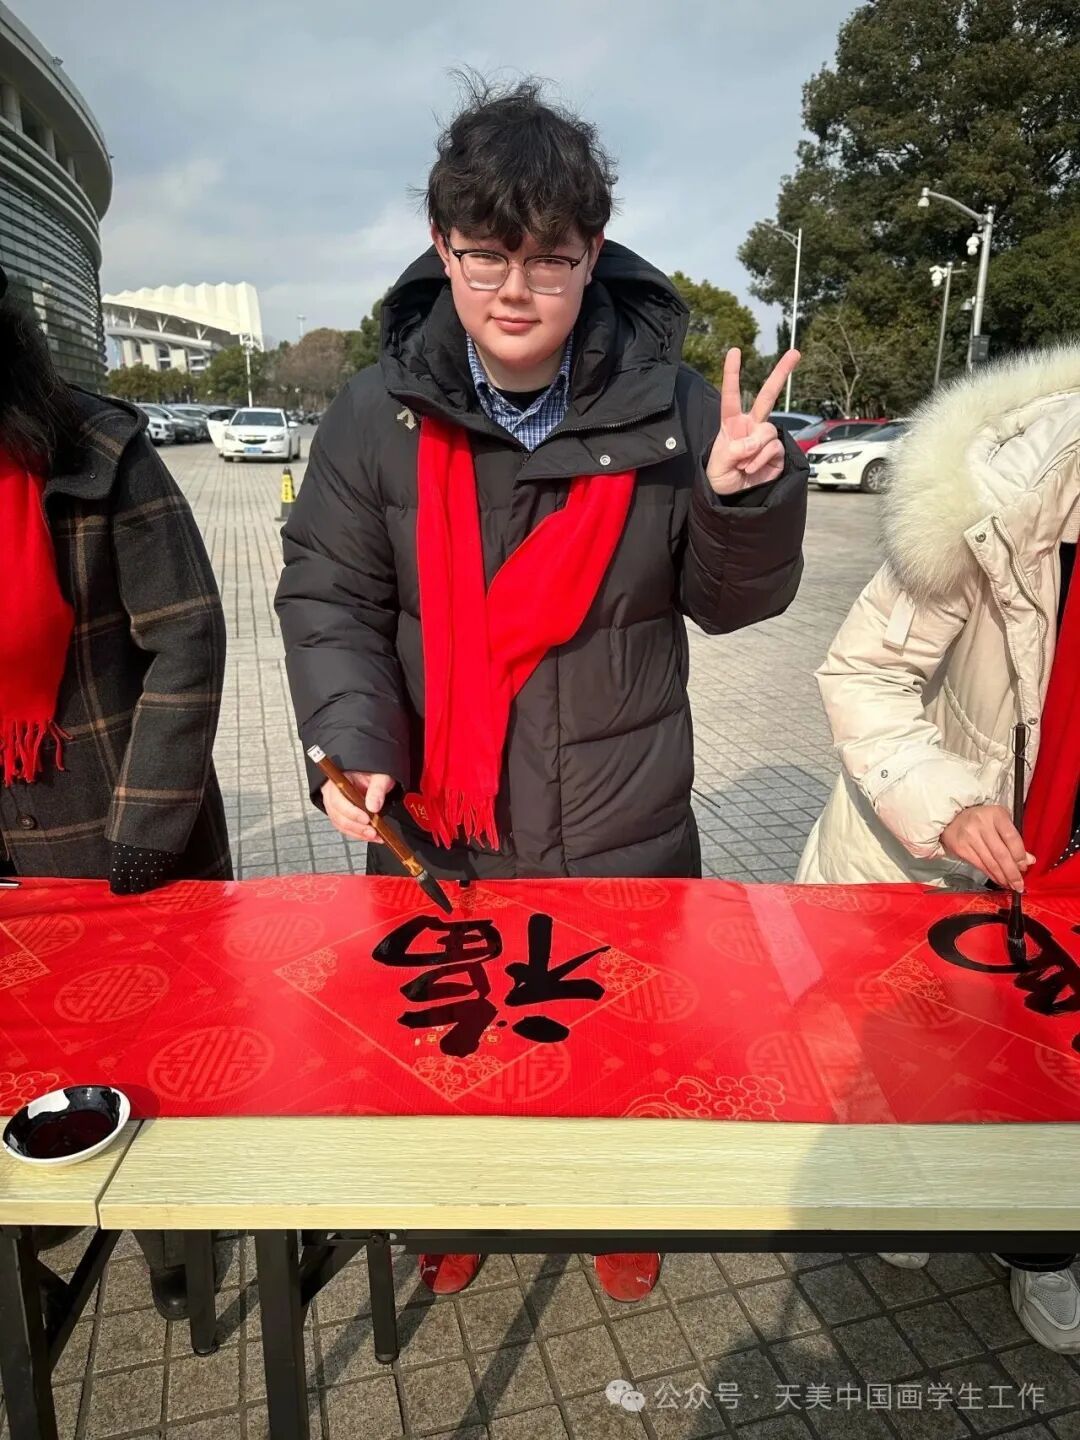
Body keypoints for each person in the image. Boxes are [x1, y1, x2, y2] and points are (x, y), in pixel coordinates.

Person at [276, 76, 808, 1302]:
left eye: (550, 260)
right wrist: (352, 741)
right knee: (450, 1047)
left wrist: (742, 500)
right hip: (443, 825)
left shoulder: (675, 413)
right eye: (486, 254)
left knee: (625, 1040)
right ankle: (457, 1212)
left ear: (593, 254)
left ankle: (624, 1214)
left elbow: (732, 605)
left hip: (625, 824)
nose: (515, 289)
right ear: (440, 246)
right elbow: (330, 597)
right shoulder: (377, 416)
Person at [797, 345, 1080, 1352]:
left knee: (1059, 1075)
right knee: (923, 1046)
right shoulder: (997, 497)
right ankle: (915, 1193)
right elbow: (863, 674)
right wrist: (950, 801)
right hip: (945, 856)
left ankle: (1041, 1246)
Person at [0, 263, 231, 1319]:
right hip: (14, 844)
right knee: (33, 1053)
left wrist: (149, 825)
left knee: (155, 1056)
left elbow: (187, 637)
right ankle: (42, 1220)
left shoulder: (98, 450)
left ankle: (177, 1247)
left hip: (127, 821)